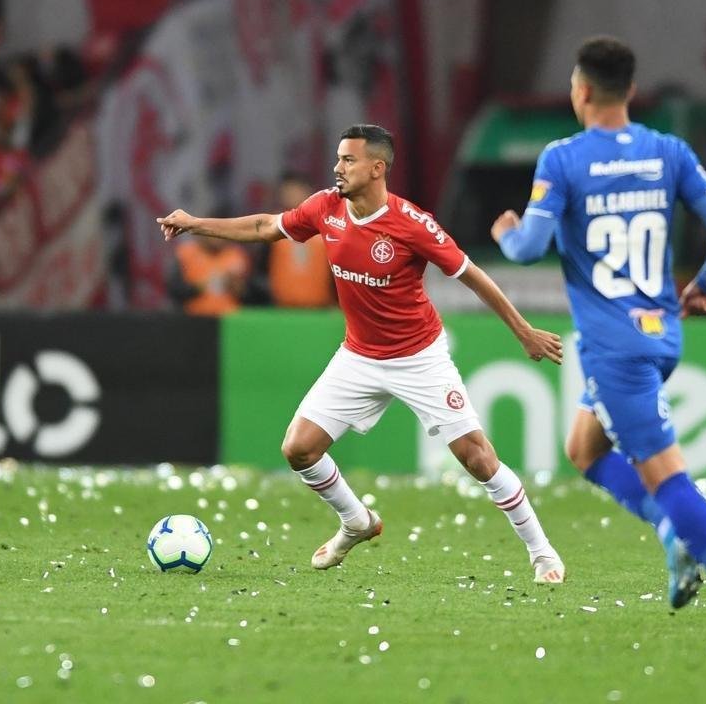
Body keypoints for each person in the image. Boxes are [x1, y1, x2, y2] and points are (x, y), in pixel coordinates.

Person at [159, 124, 567, 583]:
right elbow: (264, 226)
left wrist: (523, 331)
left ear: (378, 168)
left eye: (348, 160)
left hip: (419, 356)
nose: (337, 167)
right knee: (298, 449)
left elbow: (473, 276)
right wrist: (194, 223)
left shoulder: (412, 223)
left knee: (478, 459)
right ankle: (357, 521)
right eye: (337, 158)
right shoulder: (324, 208)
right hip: (358, 356)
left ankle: (543, 553)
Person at [491, 36, 706, 650]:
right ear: (631, 92)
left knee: (666, 473)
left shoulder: (562, 159)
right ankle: (673, 533)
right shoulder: (666, 150)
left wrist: (508, 232)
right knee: (584, 447)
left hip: (614, 346)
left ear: (582, 91)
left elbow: (531, 248)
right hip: (661, 330)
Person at [266, 172, 337, 308]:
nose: (290, 195)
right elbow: (262, 270)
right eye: (286, 191)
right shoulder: (272, 227)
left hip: (320, 309)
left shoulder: (327, 227)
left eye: (295, 190)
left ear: (308, 191)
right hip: (281, 310)